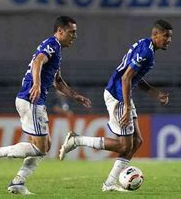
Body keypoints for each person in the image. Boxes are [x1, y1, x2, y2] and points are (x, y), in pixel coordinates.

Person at [58, 19, 173, 192]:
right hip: (118, 95)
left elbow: (134, 77)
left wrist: (154, 92)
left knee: (137, 142)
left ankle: (109, 184)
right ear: (155, 35)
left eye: (170, 37)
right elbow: (126, 78)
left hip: (123, 94)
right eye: (166, 36)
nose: (169, 40)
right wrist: (126, 107)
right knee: (124, 146)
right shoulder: (146, 52)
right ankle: (76, 140)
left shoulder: (146, 47)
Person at [0, 16, 92, 195]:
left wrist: (76, 96)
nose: (75, 36)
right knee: (40, 148)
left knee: (44, 146)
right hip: (31, 100)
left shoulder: (57, 50)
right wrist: (37, 84)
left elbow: (58, 82)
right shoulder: (52, 44)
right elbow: (38, 61)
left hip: (33, 101)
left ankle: (17, 182)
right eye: (72, 32)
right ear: (60, 31)